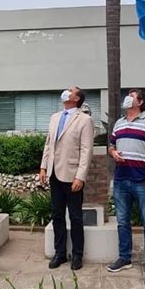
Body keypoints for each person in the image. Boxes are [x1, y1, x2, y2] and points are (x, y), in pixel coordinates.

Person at [107, 89, 145, 279]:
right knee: (122, 222)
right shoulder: (119, 122)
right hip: (121, 180)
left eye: (132, 96)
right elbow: (111, 145)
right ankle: (124, 257)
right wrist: (113, 153)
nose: (127, 98)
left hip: (143, 180)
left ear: (140, 102)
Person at [40, 86, 94, 271]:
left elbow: (87, 150)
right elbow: (48, 144)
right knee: (57, 215)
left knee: (75, 217)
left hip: (72, 176)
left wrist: (81, 176)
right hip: (54, 173)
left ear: (77, 98)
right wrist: (43, 167)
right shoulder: (55, 117)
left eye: (71, 90)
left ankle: (77, 255)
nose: (66, 91)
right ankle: (60, 253)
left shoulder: (85, 120)